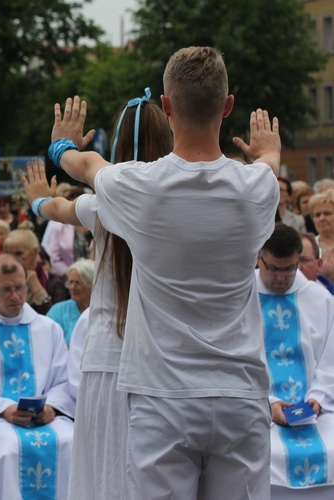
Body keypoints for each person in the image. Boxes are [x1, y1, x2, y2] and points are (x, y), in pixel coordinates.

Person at [48, 46, 280, 498]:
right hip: (240, 392)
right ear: (227, 106)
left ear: (167, 106)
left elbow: (84, 165)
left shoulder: (138, 185)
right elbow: (268, 165)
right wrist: (269, 150)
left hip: (161, 396)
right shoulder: (258, 187)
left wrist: (60, 145)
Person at [21, 88, 174, 500]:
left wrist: (40, 196)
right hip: (162, 363)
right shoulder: (177, 200)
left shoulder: (102, 202)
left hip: (107, 359)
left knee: (102, 477)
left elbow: (53, 208)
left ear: (117, 147)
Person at [0, 254, 75, 499]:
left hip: (45, 418)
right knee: (6, 449)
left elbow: (64, 380)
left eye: (20, 287)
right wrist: (4, 409)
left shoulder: (48, 329)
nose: (16, 296)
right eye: (6, 290)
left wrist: (52, 406)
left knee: (70, 442)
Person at [256, 226, 334, 498]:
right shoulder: (240, 298)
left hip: (317, 409)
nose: (280, 277)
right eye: (274, 268)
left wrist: (319, 397)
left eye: (289, 269)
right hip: (257, 407)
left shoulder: (320, 298)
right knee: (261, 450)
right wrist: (269, 402)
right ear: (259, 258)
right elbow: (233, 362)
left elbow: (331, 360)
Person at [3, 228, 55, 314]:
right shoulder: (0, 281)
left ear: (35, 251)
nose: (13, 259)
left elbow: (54, 318)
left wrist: (38, 290)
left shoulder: (54, 282)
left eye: (18, 254)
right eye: (8, 254)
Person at [46, 258, 95, 345]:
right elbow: (46, 341)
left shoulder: (101, 311)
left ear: (92, 284)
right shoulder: (58, 311)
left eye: (78, 283)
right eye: (70, 282)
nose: (72, 287)